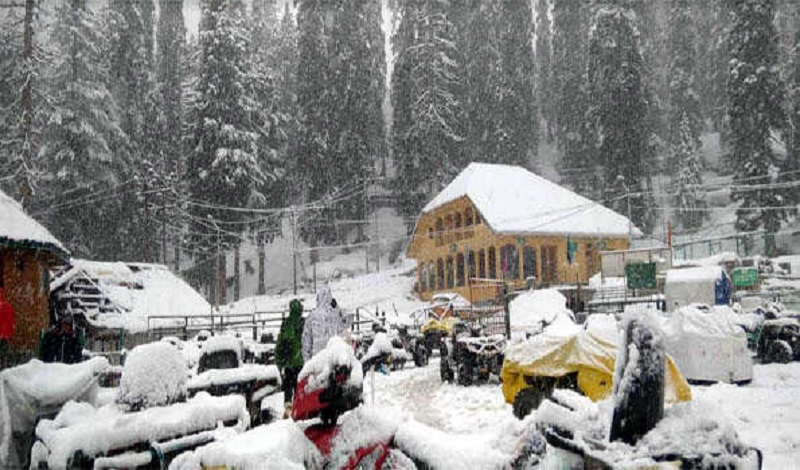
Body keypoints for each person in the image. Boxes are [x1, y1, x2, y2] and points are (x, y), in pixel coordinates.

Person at [302, 284, 348, 362]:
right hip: (332, 357)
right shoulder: (335, 314)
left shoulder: (312, 315)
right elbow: (346, 323)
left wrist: (307, 360)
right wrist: (337, 307)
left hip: (317, 357)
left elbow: (306, 340)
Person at [276, 299, 304, 417]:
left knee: (288, 387)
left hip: (289, 363)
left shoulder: (286, 324)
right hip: (301, 362)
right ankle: (300, 408)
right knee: (300, 387)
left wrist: (279, 361)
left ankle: (288, 408)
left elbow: (280, 342)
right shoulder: (304, 323)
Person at [0, 287, 16, 366]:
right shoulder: (8, 307)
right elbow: (11, 322)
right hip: (5, 337)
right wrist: (9, 334)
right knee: (4, 356)